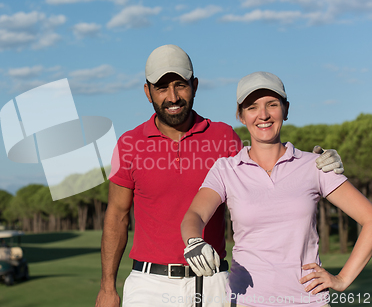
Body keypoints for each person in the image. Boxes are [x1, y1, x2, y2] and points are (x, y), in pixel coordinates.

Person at [95, 46, 344, 307]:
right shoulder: (129, 144)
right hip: (149, 284)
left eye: (180, 85)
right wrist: (107, 287)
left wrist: (317, 162)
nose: (172, 96)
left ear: (195, 86)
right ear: (148, 92)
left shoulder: (224, 137)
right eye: (161, 88)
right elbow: (117, 216)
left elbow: (268, 171)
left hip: (213, 283)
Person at [181, 71, 372, 307]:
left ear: (286, 109)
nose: (263, 115)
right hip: (247, 301)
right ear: (240, 115)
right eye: (252, 107)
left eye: (272, 104)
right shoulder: (226, 169)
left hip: (309, 302)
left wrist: (343, 279)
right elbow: (195, 215)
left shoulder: (315, 165)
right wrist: (193, 241)